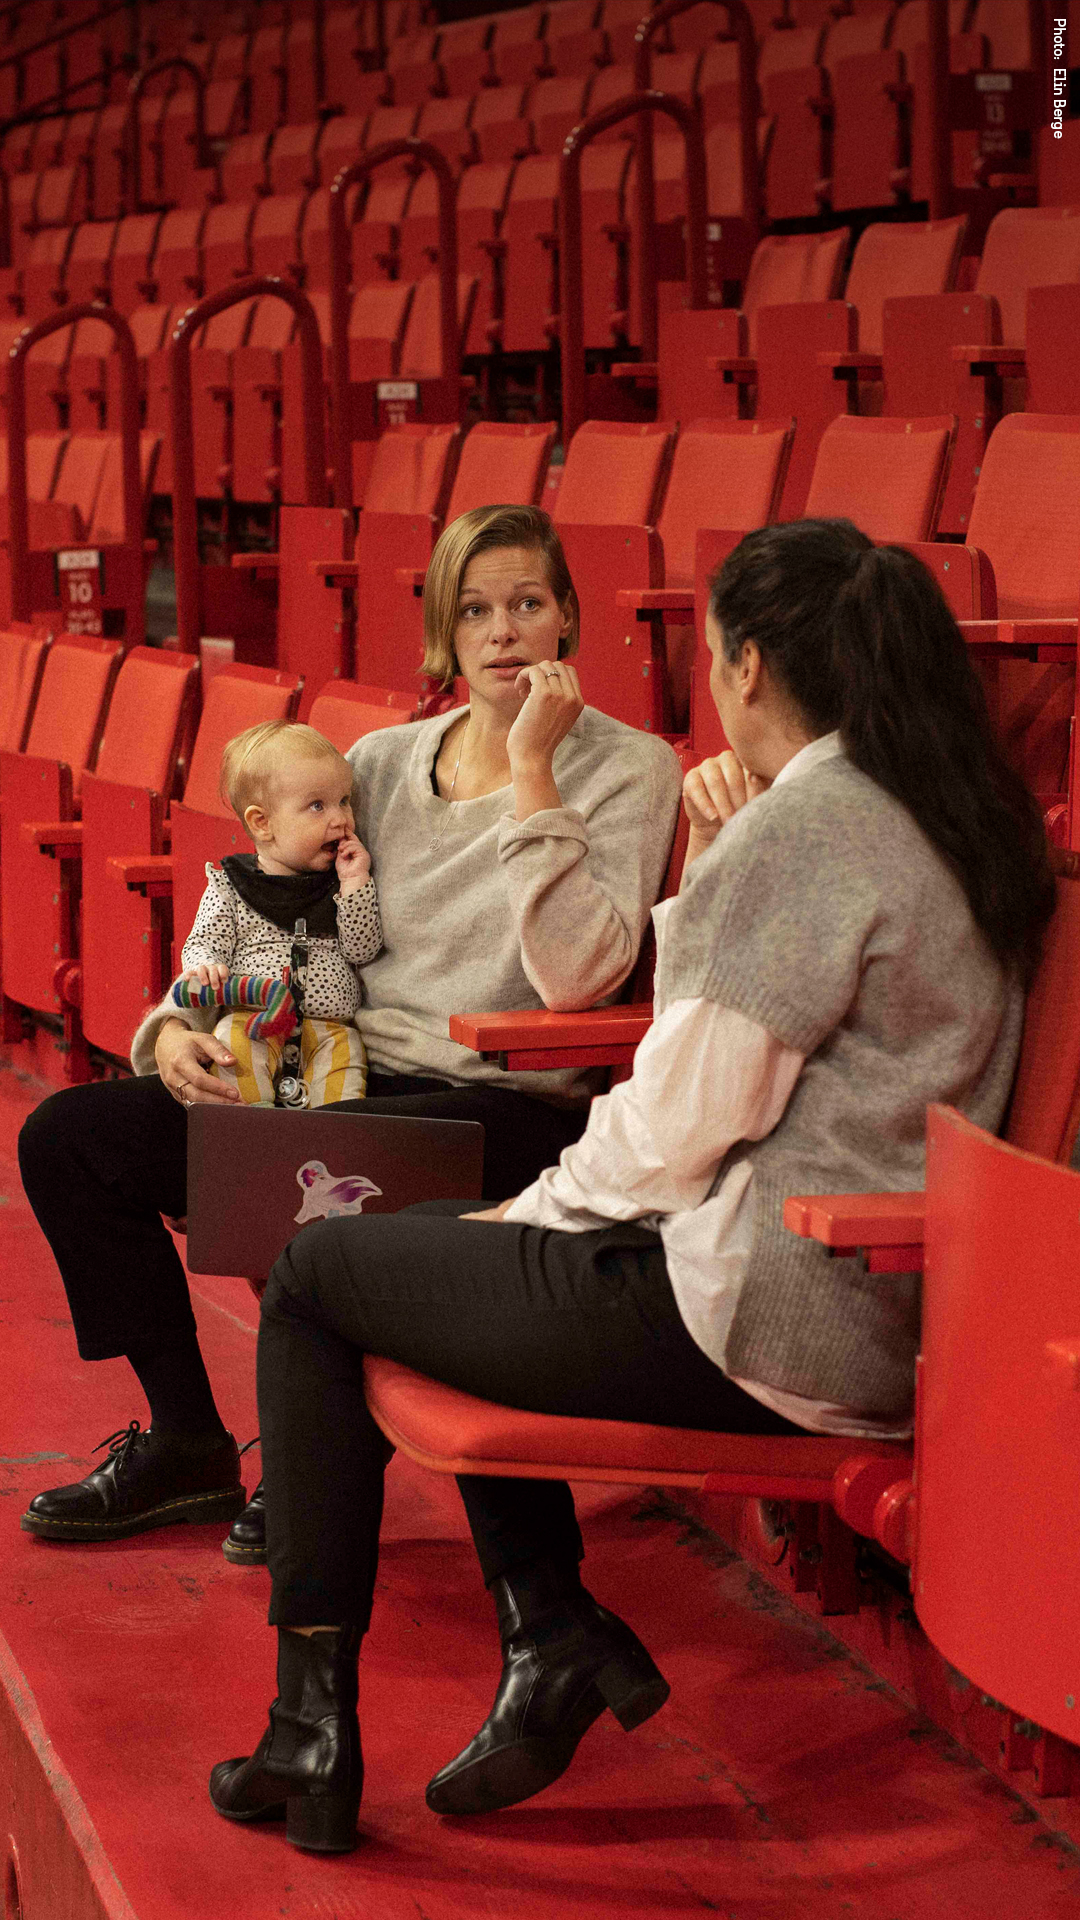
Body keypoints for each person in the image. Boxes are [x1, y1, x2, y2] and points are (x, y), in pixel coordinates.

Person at [206, 518, 1055, 1853]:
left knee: (322, 1272)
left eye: (715, 660)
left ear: (755, 667)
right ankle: (549, 1634)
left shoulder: (816, 827)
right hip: (856, 1300)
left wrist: (522, 1215)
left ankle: (312, 1727)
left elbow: (678, 1121)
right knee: (434, 1262)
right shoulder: (934, 802)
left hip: (762, 1310)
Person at [16, 504, 683, 1556]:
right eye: (475, 611)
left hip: (502, 1101)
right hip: (340, 1070)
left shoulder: (628, 767)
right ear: (443, 635)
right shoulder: (377, 762)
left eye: (527, 604)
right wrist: (169, 1034)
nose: (503, 630)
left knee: (304, 1160)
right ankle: (189, 1442)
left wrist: (536, 773)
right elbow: (265, 908)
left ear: (566, 621)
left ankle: (314, 1462)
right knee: (71, 1140)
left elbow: (580, 977)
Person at [175, 720, 383, 1108]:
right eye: (317, 806)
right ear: (262, 823)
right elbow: (205, 940)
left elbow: (362, 950)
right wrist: (206, 966)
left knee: (347, 1076)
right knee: (232, 1054)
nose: (340, 818)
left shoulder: (341, 880)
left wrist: (355, 884)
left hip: (331, 1028)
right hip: (254, 1019)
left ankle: (331, 1154)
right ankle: (252, 1143)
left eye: (344, 800)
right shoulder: (231, 883)